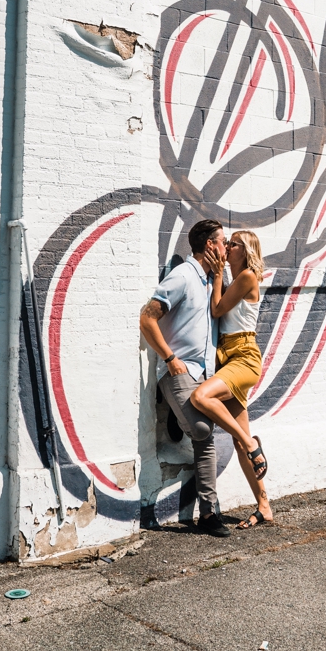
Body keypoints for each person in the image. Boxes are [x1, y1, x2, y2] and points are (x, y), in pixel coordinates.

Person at [140, 218, 231, 537]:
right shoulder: (183, 276)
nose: (227, 247)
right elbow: (148, 318)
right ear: (210, 245)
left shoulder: (210, 281)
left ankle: (207, 514)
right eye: (224, 241)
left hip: (204, 375)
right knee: (203, 431)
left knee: (209, 431)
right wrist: (170, 358)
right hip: (180, 371)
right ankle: (209, 513)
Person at [190, 230, 272, 528]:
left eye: (232, 243)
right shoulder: (234, 280)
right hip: (228, 355)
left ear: (245, 250)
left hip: (244, 356)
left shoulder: (248, 277)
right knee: (239, 443)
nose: (227, 247)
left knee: (201, 397)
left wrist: (217, 274)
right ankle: (264, 506)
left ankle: (251, 444)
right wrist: (219, 275)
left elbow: (216, 309)